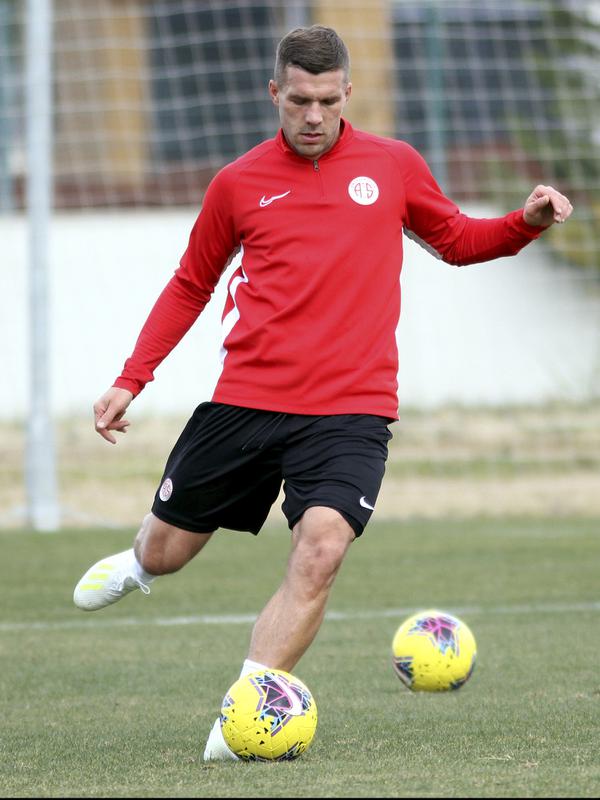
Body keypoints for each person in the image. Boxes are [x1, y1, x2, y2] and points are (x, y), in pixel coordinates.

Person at [73, 25, 573, 760]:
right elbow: (190, 285)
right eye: (299, 100)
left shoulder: (393, 165)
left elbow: (459, 240)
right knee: (172, 549)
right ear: (275, 94)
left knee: (321, 549)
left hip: (351, 409)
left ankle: (246, 715)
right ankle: (141, 561)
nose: (314, 115)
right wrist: (130, 378)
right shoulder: (237, 182)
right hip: (247, 400)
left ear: (348, 94)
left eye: (328, 100)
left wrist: (523, 224)